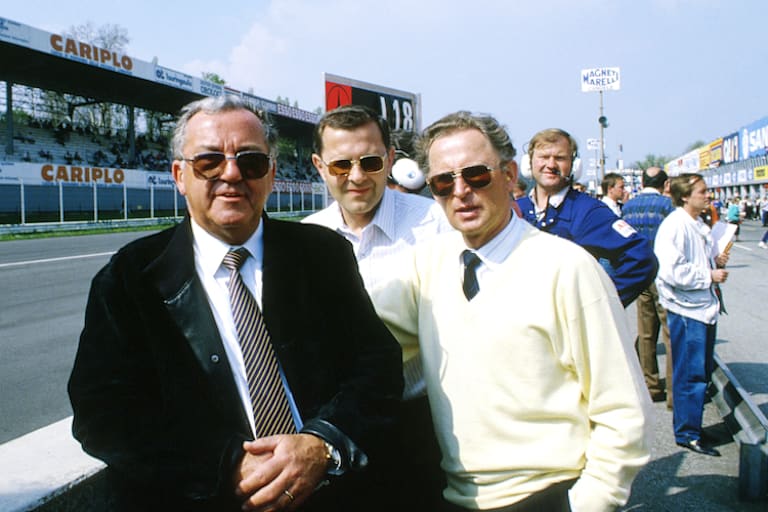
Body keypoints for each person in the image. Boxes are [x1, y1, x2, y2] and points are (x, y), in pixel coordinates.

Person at [68, 95, 404, 512]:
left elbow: (378, 364)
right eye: (209, 161)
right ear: (179, 174)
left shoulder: (322, 253)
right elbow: (102, 413)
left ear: (272, 174)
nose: (231, 174)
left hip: (331, 494)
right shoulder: (130, 277)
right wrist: (225, 465)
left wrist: (323, 441)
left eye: (251, 162)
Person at [373, 111, 651, 511]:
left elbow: (625, 412)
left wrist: (587, 504)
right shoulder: (428, 262)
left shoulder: (567, 268)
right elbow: (364, 334)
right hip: (456, 496)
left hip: (548, 495)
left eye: (476, 175)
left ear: (508, 176)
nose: (460, 191)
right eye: (442, 182)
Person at [302, 104, 450, 510]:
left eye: (369, 162)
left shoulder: (435, 224)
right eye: (340, 165)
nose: (356, 177)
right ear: (319, 165)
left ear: (389, 160)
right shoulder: (305, 238)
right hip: (342, 425)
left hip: (421, 420)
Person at [516, 128, 657, 306]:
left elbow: (642, 258)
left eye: (560, 158)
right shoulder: (515, 210)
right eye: (543, 157)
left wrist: (601, 306)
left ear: (574, 165)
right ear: (529, 163)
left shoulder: (590, 211)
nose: (551, 165)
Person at [655, 173, 729, 457]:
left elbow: (693, 261)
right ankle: (687, 433)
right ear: (685, 196)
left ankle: (692, 427)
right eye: (702, 191)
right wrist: (709, 274)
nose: (708, 195)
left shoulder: (696, 224)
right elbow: (672, 271)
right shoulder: (675, 225)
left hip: (701, 307)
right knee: (691, 373)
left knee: (699, 372)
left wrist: (715, 260)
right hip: (687, 309)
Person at [622, 167, 676, 406]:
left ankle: (650, 385)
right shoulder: (667, 206)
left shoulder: (629, 207)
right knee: (670, 333)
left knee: (646, 332)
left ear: (642, 181)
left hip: (641, 274)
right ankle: (675, 392)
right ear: (665, 184)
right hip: (665, 274)